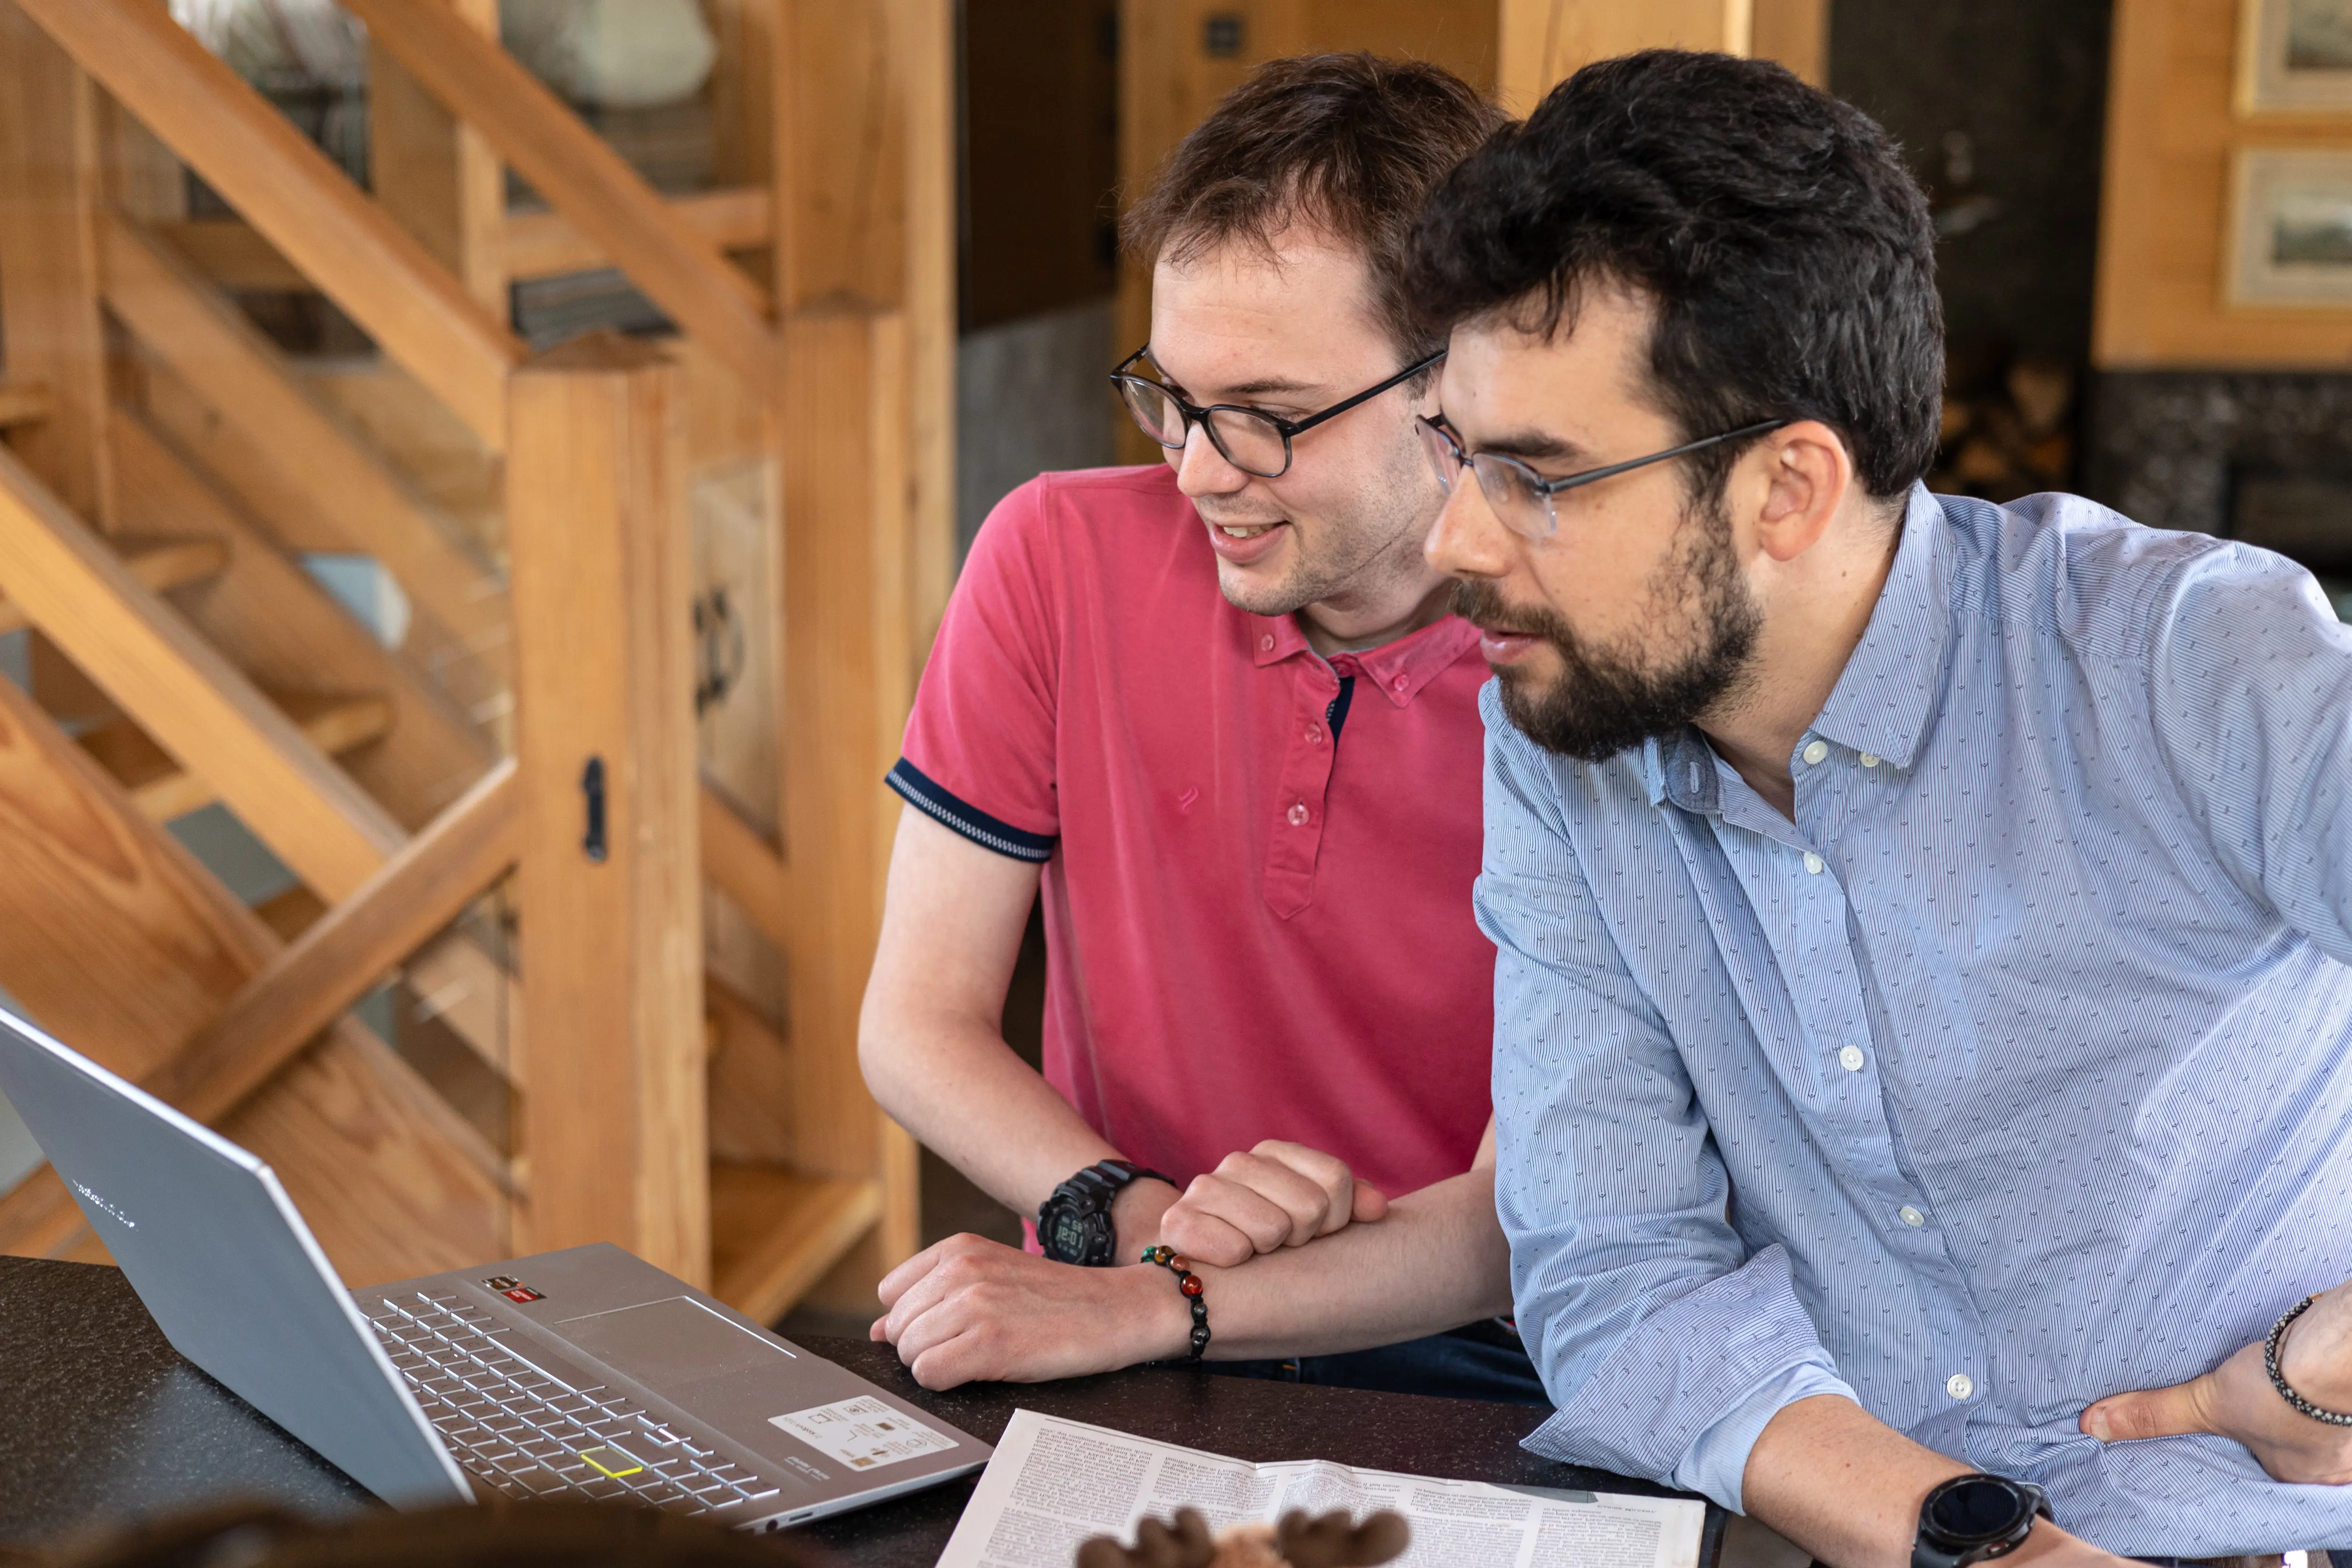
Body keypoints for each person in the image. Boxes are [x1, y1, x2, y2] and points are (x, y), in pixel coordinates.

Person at [1406, 46, 2352, 1565]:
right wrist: (1986, 1545)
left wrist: (2326, 1362)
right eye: (1453, 448)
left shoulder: (2187, 654)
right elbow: (1611, 1273)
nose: (1453, 536)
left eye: (1539, 476)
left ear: (1786, 488)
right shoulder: (1555, 744)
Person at [858, 54, 1533, 1402]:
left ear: (1457, 381)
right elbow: (915, 1022)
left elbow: (1525, 1218)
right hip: (1110, 1307)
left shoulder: (1586, 660)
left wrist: (1178, 1292)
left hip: (1501, 1373)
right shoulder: (1052, 552)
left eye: (1271, 418)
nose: (1197, 469)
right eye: (1169, 394)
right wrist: (1144, 1226)